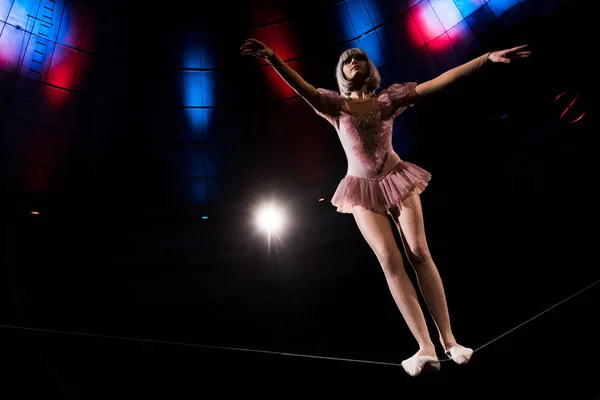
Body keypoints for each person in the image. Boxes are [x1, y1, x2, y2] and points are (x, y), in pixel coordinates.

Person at [240, 37, 531, 377]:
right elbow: (302, 88)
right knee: (390, 261)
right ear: (341, 72)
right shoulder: (335, 106)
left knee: (419, 252)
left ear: (369, 68)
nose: (354, 62)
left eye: (359, 59)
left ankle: (450, 341)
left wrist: (485, 58)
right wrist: (274, 58)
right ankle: (425, 347)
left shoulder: (387, 100)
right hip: (361, 188)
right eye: (348, 61)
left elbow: (438, 82)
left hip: (396, 176)